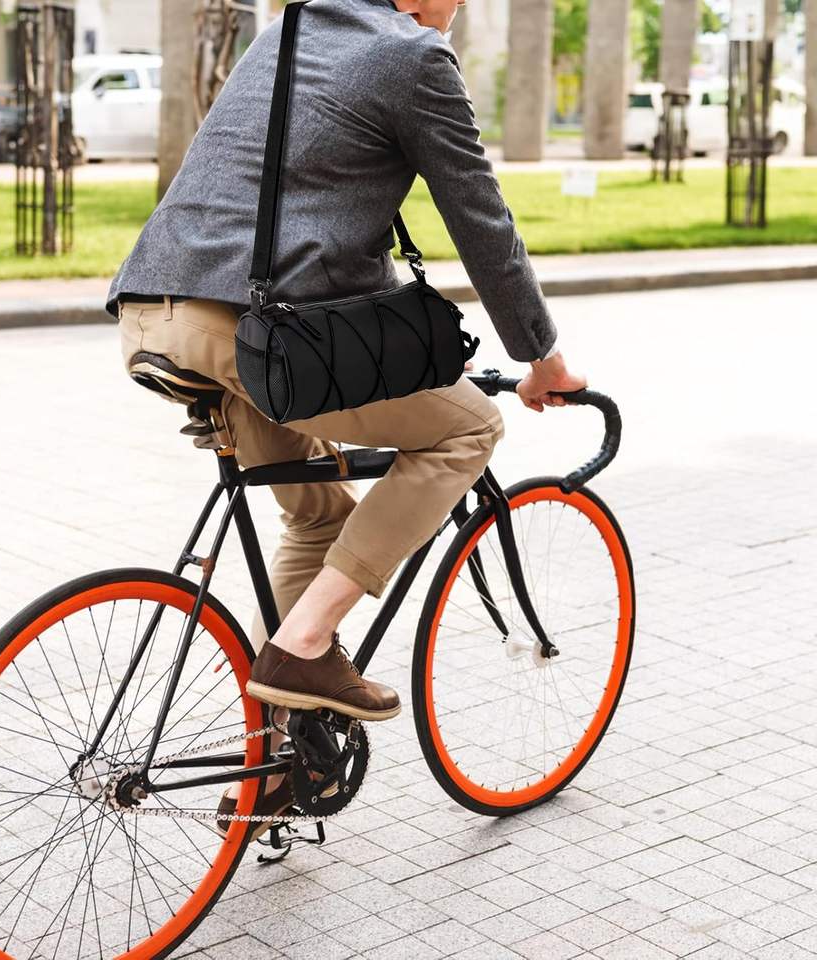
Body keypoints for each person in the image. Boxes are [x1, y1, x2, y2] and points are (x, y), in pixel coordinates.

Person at [108, 0, 586, 833]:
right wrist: (542, 357)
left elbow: (301, 208)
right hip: (258, 338)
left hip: (155, 314)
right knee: (468, 426)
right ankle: (305, 643)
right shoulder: (414, 57)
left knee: (318, 514)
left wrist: (410, 352)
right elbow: (482, 221)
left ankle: (269, 768)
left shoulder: (289, 31)